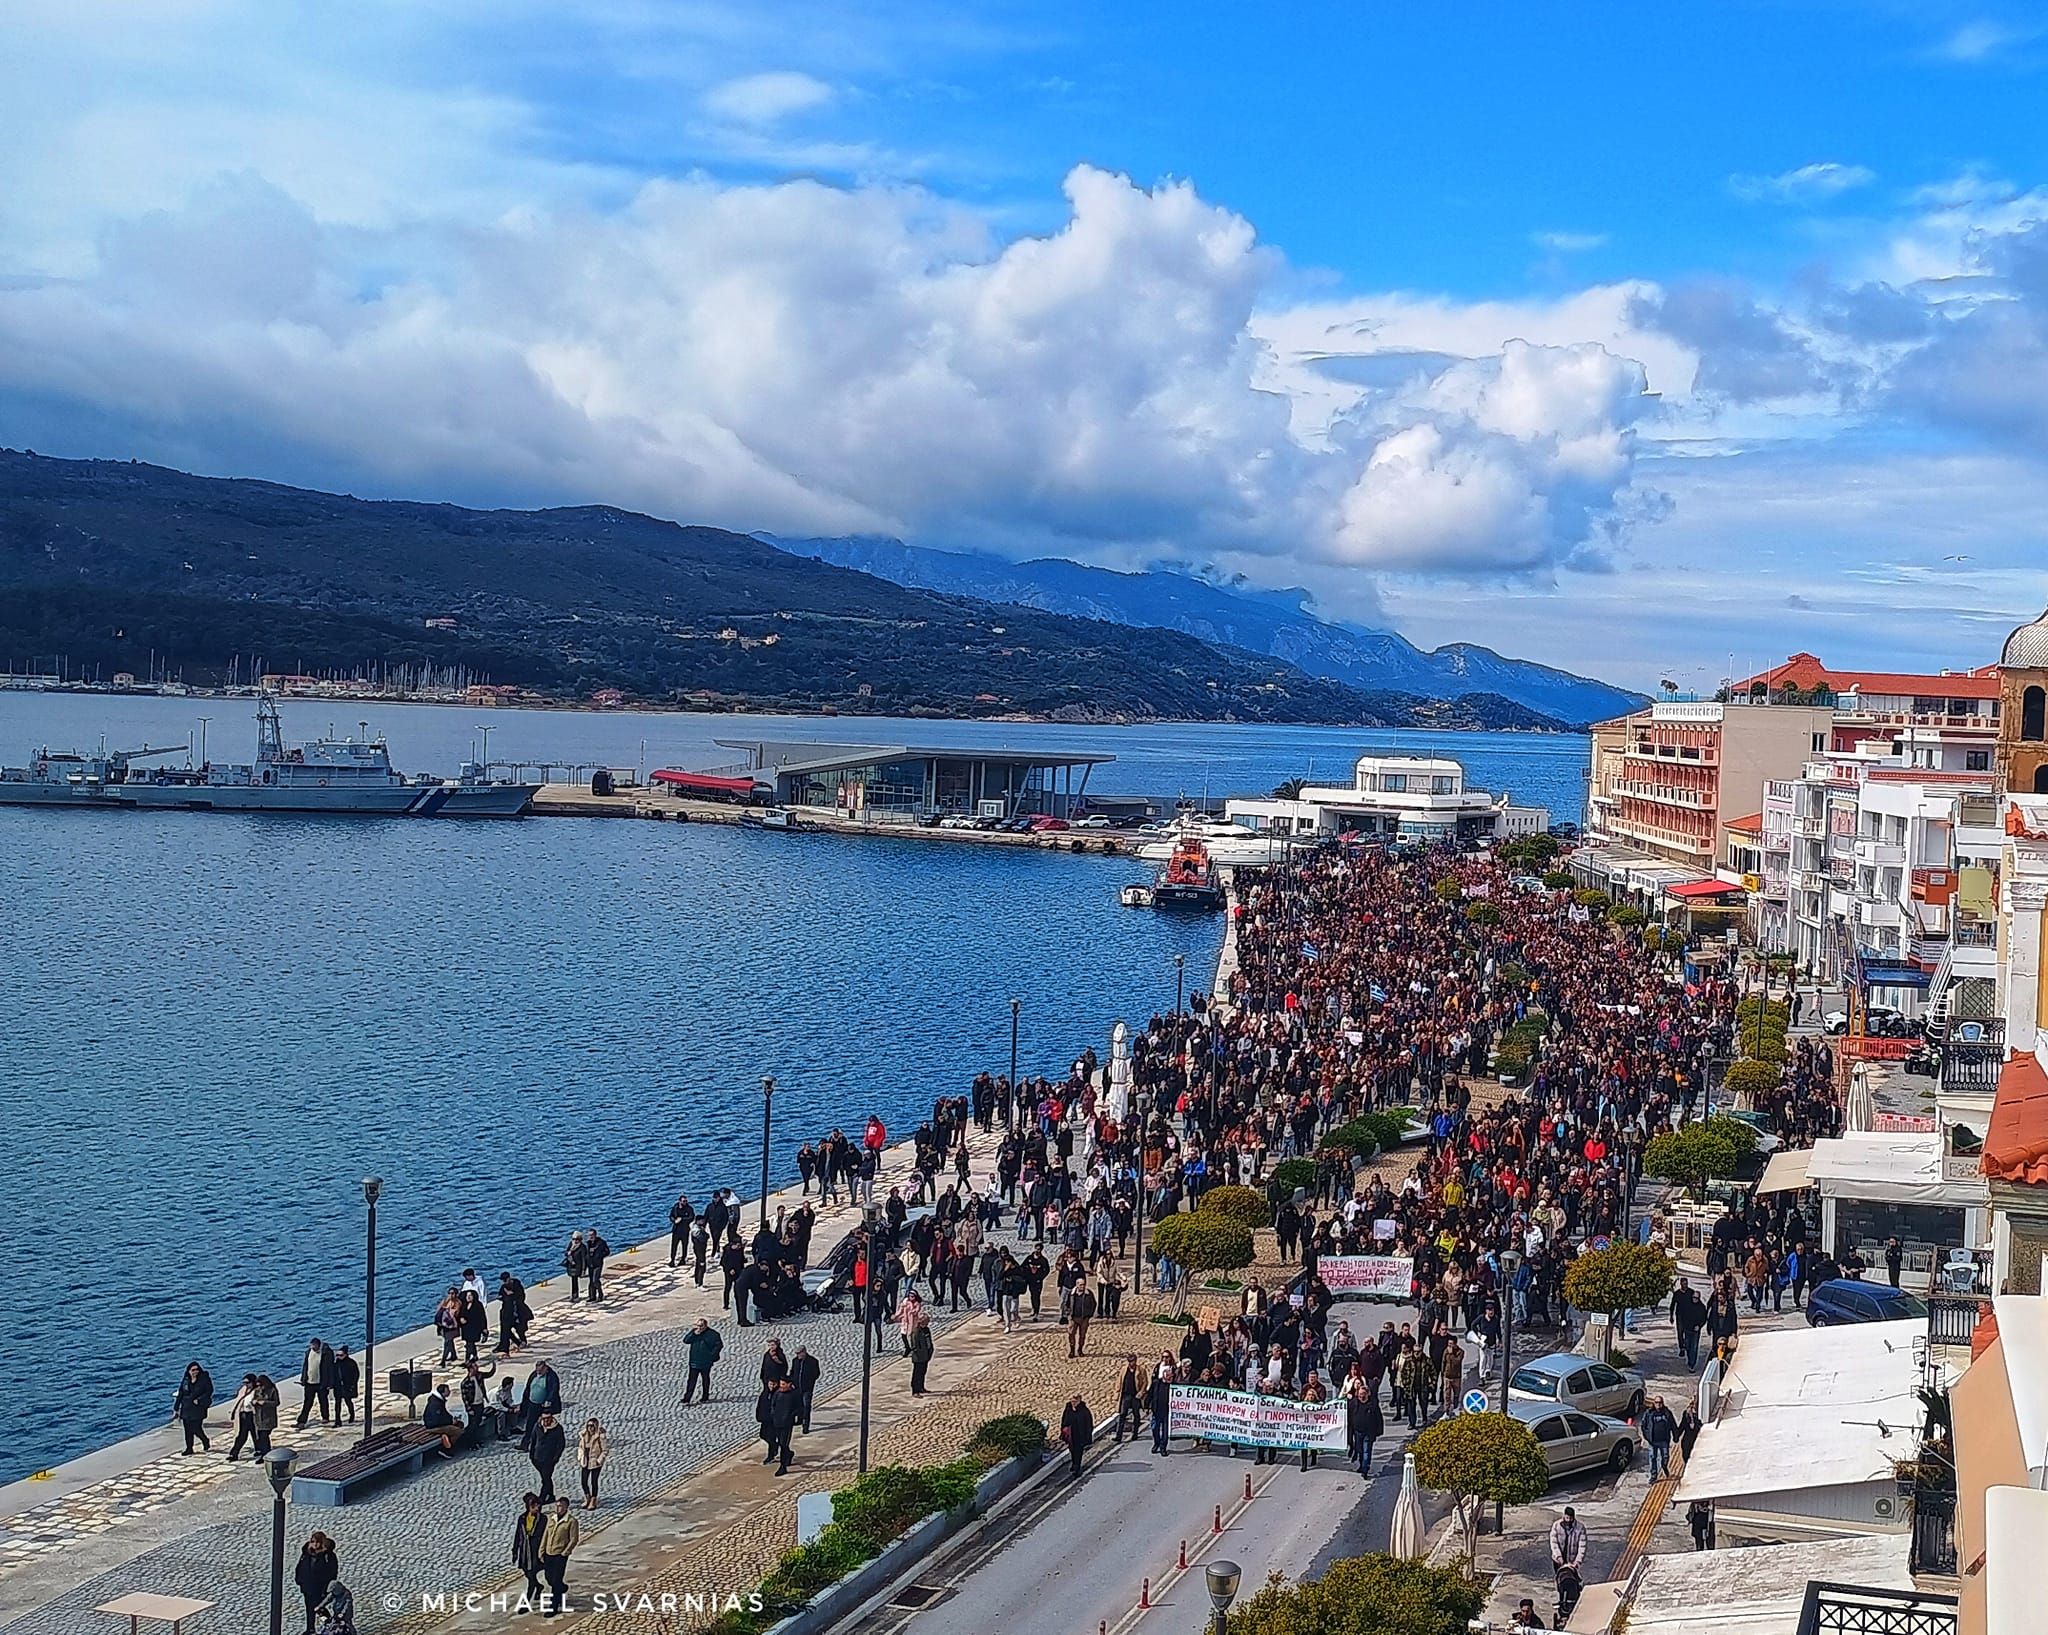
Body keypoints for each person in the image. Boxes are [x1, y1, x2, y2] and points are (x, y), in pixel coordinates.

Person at [539, 1494, 579, 1616]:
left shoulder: (571, 1521)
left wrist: (565, 1553)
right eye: (557, 1506)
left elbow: (574, 1539)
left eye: (561, 1506)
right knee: (549, 1578)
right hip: (548, 1553)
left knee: (556, 1580)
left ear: (566, 1508)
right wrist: (542, 1550)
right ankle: (562, 1588)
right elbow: (546, 1534)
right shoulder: (551, 1519)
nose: (558, 1508)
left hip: (559, 1555)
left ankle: (553, 1606)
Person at [294, 1532, 339, 1635]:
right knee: (310, 1609)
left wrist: (327, 1587)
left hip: (320, 1587)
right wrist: (299, 1580)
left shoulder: (328, 1555)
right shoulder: (306, 1554)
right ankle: (310, 1628)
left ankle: (329, 1623)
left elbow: (332, 1572)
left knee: (319, 1608)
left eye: (317, 1542)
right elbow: (301, 1566)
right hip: (308, 1587)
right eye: (313, 1541)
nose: (315, 1544)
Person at [512, 1492, 547, 1604]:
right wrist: (515, 1551)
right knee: (528, 1574)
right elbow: (518, 1535)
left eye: (538, 1506)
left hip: (536, 1552)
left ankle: (526, 1602)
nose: (536, 1508)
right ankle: (539, 1586)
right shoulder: (522, 1518)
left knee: (532, 1575)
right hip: (524, 1552)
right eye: (533, 1506)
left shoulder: (542, 1519)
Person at [173, 1361, 214, 1455]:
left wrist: (199, 1399)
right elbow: (181, 1393)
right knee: (187, 1429)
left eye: (197, 1370)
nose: (195, 1372)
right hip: (186, 1407)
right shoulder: (186, 1380)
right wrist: (176, 1408)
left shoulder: (204, 1379)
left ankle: (205, 1440)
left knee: (196, 1428)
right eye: (193, 1370)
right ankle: (189, 1448)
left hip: (198, 1407)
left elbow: (209, 1391)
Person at [295, 1338, 336, 1428]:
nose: (313, 1347)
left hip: (322, 1382)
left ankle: (325, 1416)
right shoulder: (308, 1353)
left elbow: (330, 1368)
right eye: (311, 1346)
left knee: (323, 1401)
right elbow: (305, 1367)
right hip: (310, 1382)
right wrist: (303, 1379)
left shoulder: (326, 1353)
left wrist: (330, 1383)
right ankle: (301, 1421)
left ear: (318, 1345)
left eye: (314, 1346)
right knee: (307, 1402)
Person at [684, 1318, 724, 1405]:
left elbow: (718, 1345)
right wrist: (693, 1334)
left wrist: (711, 1356)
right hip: (694, 1361)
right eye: (698, 1325)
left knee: (705, 1379)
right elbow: (686, 1340)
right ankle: (687, 1398)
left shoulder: (713, 1335)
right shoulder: (694, 1333)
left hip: (706, 1362)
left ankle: (705, 1396)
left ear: (705, 1325)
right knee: (691, 1381)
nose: (699, 1328)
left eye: (701, 1326)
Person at [530, 1410, 566, 1503]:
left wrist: (556, 1457)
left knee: (546, 1479)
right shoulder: (537, 1426)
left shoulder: (558, 1429)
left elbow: (561, 1444)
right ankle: (551, 1495)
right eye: (544, 1418)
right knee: (546, 1478)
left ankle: (541, 1498)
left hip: (549, 1459)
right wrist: (531, 1455)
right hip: (537, 1458)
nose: (546, 1421)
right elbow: (533, 1440)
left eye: (548, 1418)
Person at [225, 1373, 262, 1462]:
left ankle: (259, 1450)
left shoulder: (257, 1391)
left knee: (255, 1434)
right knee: (241, 1435)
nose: (246, 1385)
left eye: (248, 1383)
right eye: (244, 1383)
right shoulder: (243, 1390)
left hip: (252, 1415)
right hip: (243, 1414)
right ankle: (234, 1453)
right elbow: (239, 1401)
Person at [1642, 1394, 1678, 1480]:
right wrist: (1647, 1437)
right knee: (1653, 1457)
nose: (1658, 1404)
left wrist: (1675, 1436)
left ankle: (1664, 1466)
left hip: (1664, 1440)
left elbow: (1673, 1425)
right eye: (1656, 1402)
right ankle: (1653, 1475)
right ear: (1654, 1403)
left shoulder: (1667, 1413)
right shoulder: (1649, 1413)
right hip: (1653, 1440)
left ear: (1663, 1403)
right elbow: (1644, 1426)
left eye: (1660, 1402)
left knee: (1665, 1457)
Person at [1059, 1392, 1094, 1480]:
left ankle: (1077, 1467)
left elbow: (1088, 1425)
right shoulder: (1068, 1409)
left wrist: (1087, 1437)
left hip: (1080, 1435)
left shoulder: (1084, 1411)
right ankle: (1074, 1464)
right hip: (1071, 1435)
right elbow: (1064, 1420)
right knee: (1072, 1450)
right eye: (1072, 1401)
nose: (1073, 1403)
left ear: (1079, 1400)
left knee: (1078, 1452)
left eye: (1075, 1401)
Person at [577, 1417, 608, 1510]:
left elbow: (605, 1450)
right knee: (584, 1481)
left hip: (595, 1462)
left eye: (592, 1426)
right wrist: (580, 1457)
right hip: (585, 1461)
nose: (590, 1428)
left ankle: (593, 1500)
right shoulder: (584, 1436)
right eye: (589, 1426)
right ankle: (587, 1497)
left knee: (594, 1481)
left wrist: (599, 1460)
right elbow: (580, 1447)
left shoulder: (599, 1437)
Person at [790, 1343, 821, 1433]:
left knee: (806, 1406)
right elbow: (793, 1372)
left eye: (799, 1353)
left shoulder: (812, 1361)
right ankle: (799, 1419)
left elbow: (816, 1373)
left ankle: (805, 1425)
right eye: (796, 1353)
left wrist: (810, 1382)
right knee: (798, 1405)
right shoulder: (795, 1361)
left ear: (804, 1352)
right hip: (797, 1387)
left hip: (807, 1388)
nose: (798, 1355)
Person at [1068, 1283, 1097, 1359]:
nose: (1082, 1286)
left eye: (1083, 1284)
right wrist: (1068, 1313)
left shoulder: (1088, 1293)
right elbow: (1066, 1303)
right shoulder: (1071, 1294)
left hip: (1084, 1318)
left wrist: (1089, 1314)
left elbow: (1093, 1304)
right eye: (1080, 1285)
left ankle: (1080, 1349)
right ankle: (1072, 1350)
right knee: (1071, 1333)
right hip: (1074, 1317)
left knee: (1082, 1335)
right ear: (1077, 1285)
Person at [909, 1318, 935, 1396]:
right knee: (917, 1373)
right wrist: (919, 1353)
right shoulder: (916, 1331)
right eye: (926, 1322)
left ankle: (921, 1387)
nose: (927, 1324)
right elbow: (914, 1345)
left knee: (923, 1372)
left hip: (926, 1355)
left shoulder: (926, 1330)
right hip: (918, 1357)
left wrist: (930, 1350)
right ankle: (915, 1390)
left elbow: (929, 1341)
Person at [333, 1346, 360, 1423]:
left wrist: (352, 1385)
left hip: (347, 1386)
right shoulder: (336, 1364)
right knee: (337, 1403)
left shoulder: (351, 1363)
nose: (338, 1357)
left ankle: (352, 1415)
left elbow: (356, 1375)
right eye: (337, 1355)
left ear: (345, 1355)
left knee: (348, 1401)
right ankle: (337, 1420)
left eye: (341, 1355)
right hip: (338, 1386)